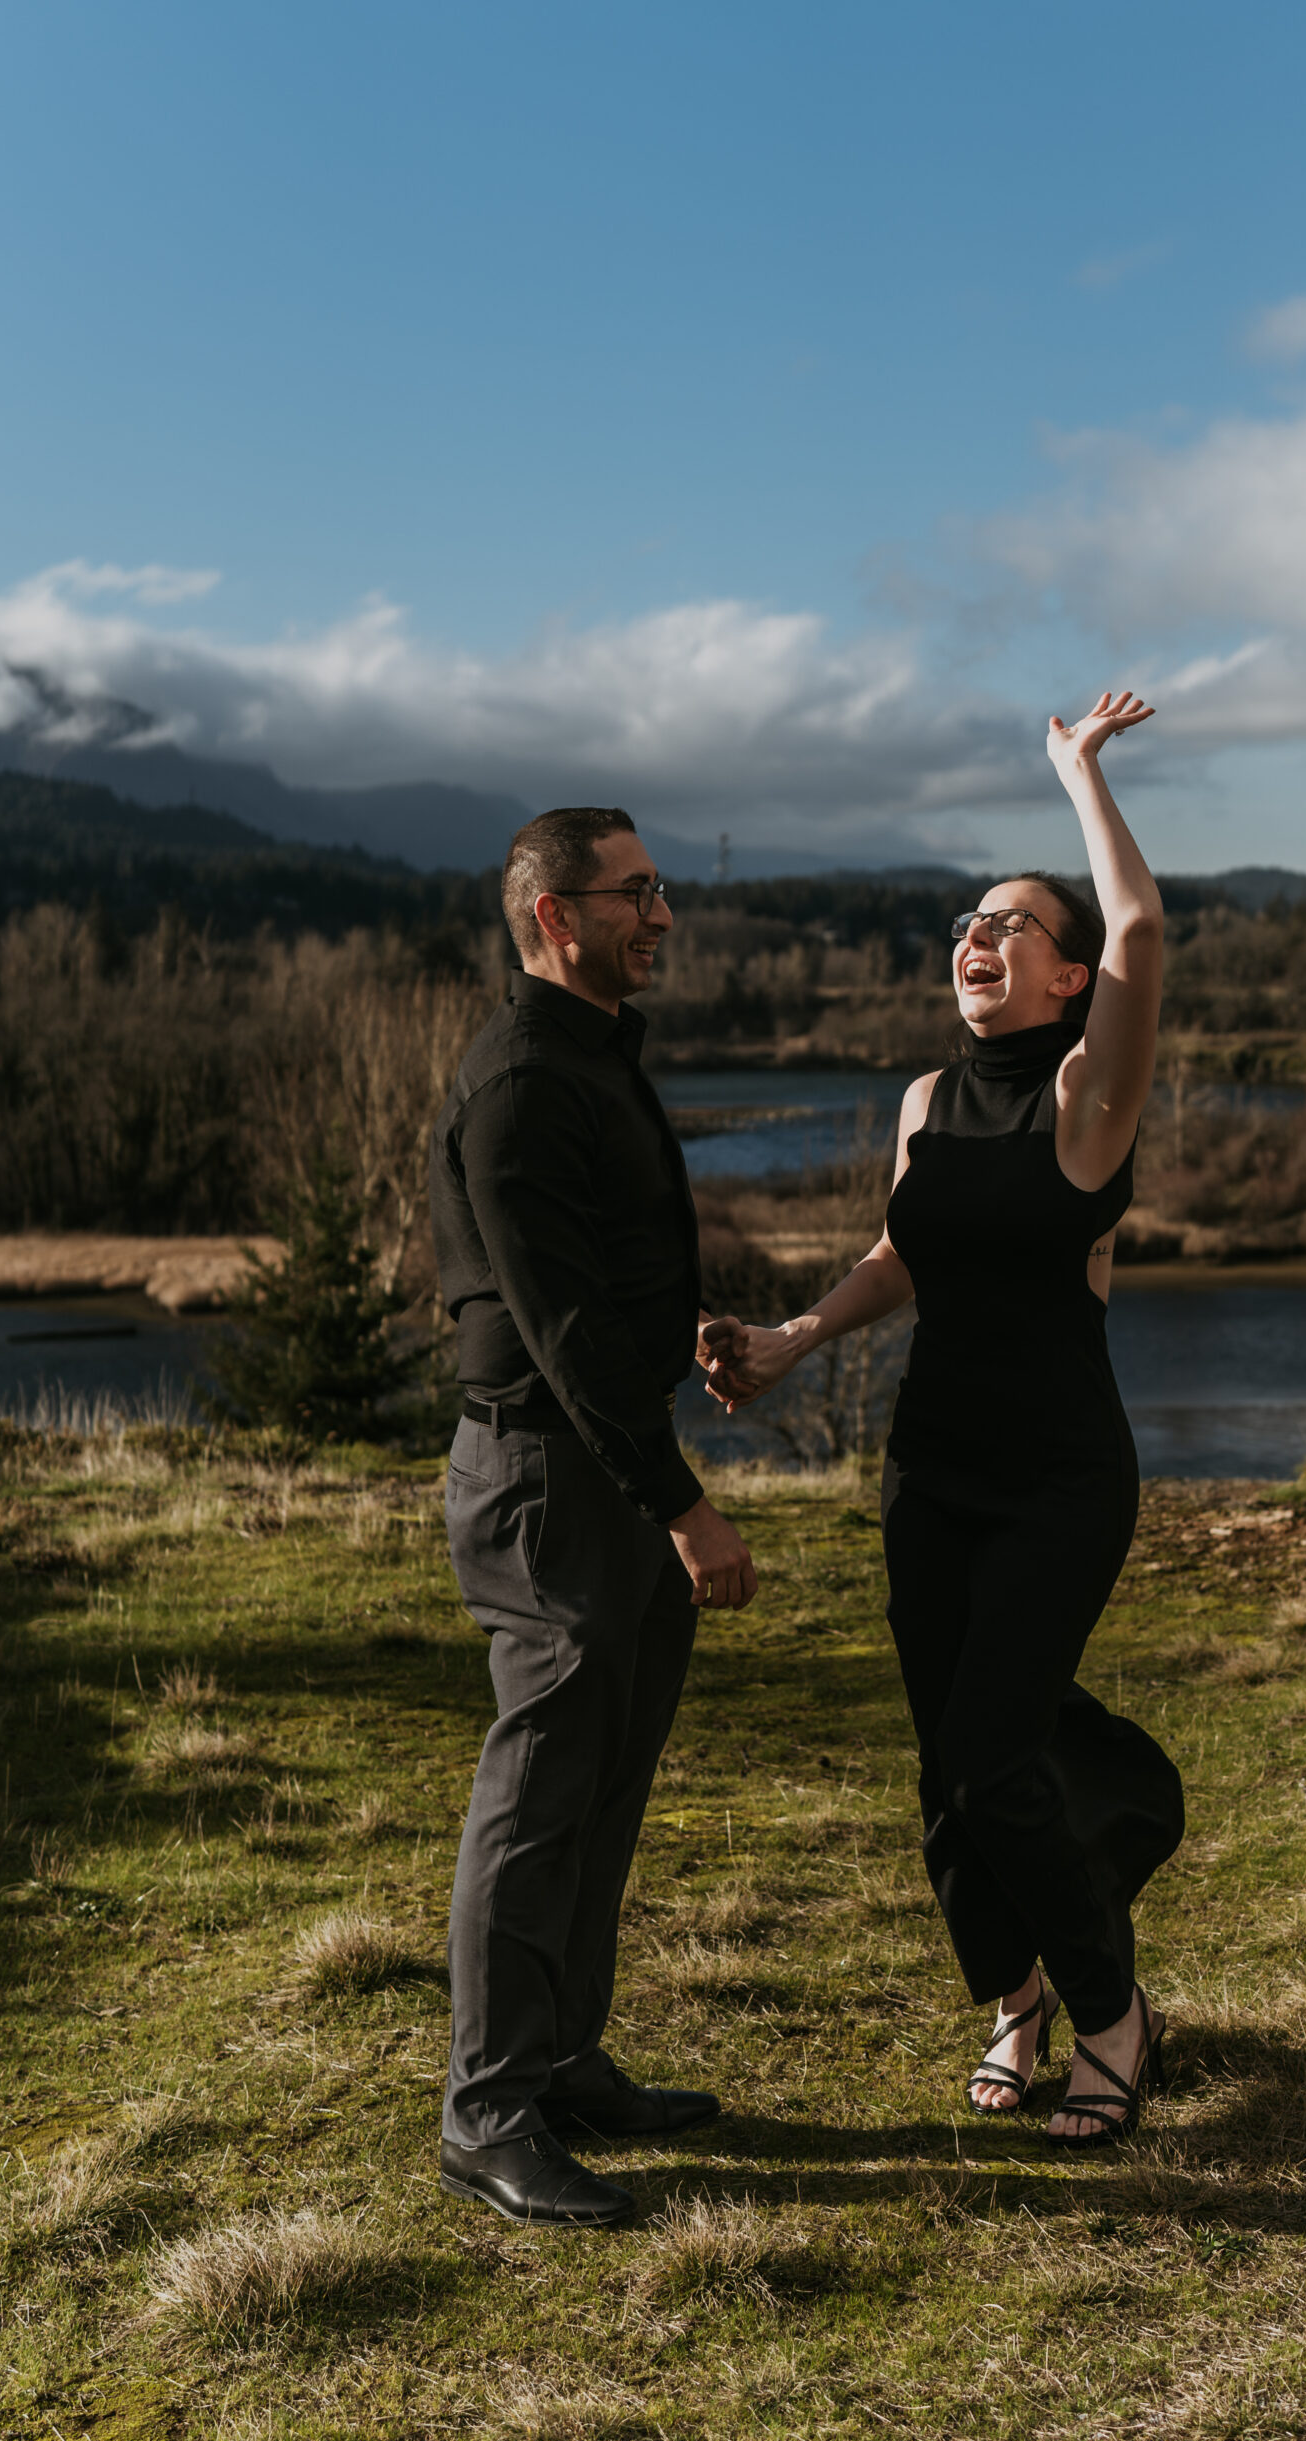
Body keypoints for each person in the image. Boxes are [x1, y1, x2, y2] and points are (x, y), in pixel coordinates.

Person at [705, 695, 1184, 2148]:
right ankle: (1014, 1994)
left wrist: (1073, 770)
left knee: (992, 1756)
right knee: (949, 1775)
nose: (975, 939)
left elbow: (1148, 937)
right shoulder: (924, 1101)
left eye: (1011, 926)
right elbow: (907, 1253)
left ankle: (1113, 2016)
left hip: (1058, 1480)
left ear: (1065, 980)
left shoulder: (1086, 1104)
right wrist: (793, 1337)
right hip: (937, 1473)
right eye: (966, 924)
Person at [429, 806, 757, 2229]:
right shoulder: (517, 1082)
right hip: (545, 1483)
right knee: (535, 1797)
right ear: (558, 917)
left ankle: (563, 2060)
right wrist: (685, 1510)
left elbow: (598, 1277)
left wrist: (684, 1331)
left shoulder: (593, 1062)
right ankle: (488, 2112)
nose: (662, 914)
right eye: (636, 893)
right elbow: (552, 1331)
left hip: (601, 1465)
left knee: (605, 1783)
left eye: (660, 888)